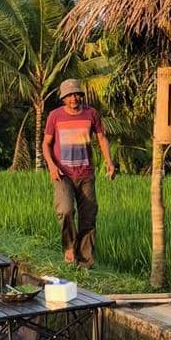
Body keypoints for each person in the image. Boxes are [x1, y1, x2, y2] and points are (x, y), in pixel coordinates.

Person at [42, 78, 115, 268]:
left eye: (76, 94)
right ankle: (68, 247)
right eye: (69, 96)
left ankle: (85, 262)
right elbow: (46, 144)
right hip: (62, 174)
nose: (73, 98)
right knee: (65, 210)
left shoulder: (91, 114)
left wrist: (109, 162)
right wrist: (51, 165)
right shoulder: (55, 116)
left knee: (88, 217)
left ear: (81, 95)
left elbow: (101, 138)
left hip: (86, 174)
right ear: (63, 98)